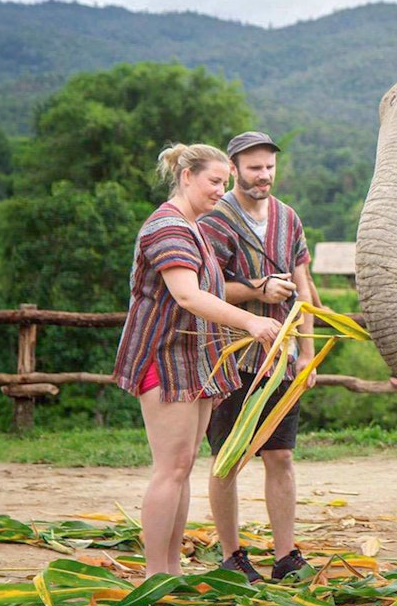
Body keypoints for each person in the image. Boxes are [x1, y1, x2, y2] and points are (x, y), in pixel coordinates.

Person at [113, 142, 282, 578]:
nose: (220, 191)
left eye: (224, 183)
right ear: (186, 177)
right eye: (214, 182)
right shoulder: (167, 228)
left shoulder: (194, 227)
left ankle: (171, 570)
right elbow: (187, 295)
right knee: (170, 469)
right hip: (164, 357)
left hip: (196, 359)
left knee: (183, 466)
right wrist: (250, 322)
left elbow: (211, 289)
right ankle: (155, 576)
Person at [199, 130, 318, 582]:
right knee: (228, 456)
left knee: (281, 455)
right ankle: (232, 555)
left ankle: (286, 555)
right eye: (254, 168)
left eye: (269, 167)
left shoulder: (290, 219)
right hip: (232, 356)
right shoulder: (214, 221)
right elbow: (204, 287)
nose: (264, 175)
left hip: (282, 358)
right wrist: (256, 289)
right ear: (233, 169)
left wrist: (306, 354)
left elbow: (303, 288)